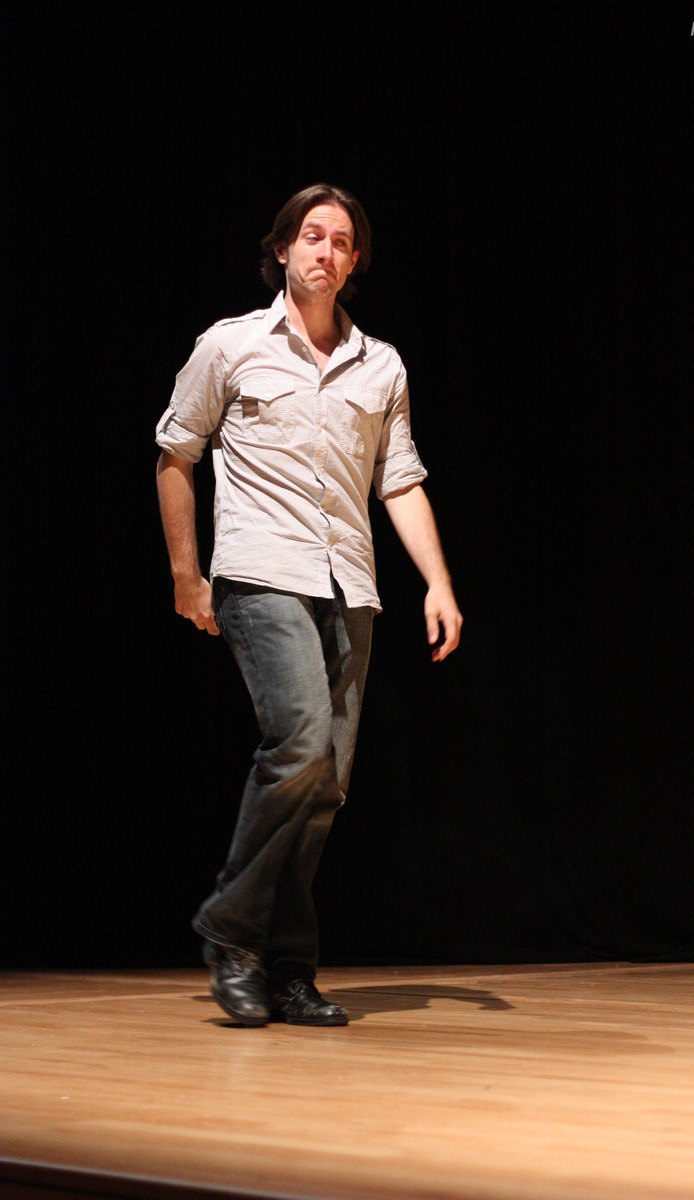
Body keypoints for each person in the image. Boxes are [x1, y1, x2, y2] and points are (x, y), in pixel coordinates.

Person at [155, 183, 462, 1028]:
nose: (325, 251)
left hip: (348, 584)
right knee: (297, 739)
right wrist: (186, 575)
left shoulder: (382, 365)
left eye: (341, 241)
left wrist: (438, 582)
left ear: (354, 261)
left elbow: (399, 480)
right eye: (312, 236)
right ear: (283, 249)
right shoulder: (231, 345)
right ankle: (231, 932)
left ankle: (289, 969)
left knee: (323, 784)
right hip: (260, 571)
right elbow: (175, 454)